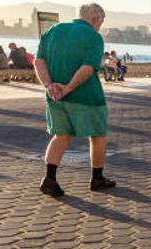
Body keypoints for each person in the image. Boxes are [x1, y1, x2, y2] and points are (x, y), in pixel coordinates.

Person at [33, 3, 116, 197]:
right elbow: (88, 68)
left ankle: (50, 178)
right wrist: (68, 87)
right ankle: (97, 178)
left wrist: (49, 85)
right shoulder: (93, 37)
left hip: (55, 96)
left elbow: (38, 61)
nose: (101, 25)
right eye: (102, 21)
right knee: (97, 135)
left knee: (61, 135)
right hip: (87, 97)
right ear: (96, 19)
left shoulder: (52, 31)